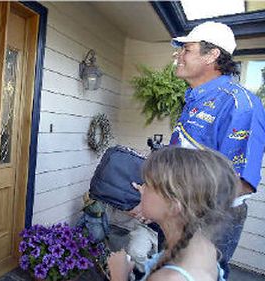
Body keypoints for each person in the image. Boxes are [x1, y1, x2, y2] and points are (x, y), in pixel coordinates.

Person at [168, 21, 265, 278]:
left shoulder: (240, 105)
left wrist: (182, 206)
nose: (178, 55)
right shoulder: (195, 99)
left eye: (186, 49)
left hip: (211, 219)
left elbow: (240, 182)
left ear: (212, 55)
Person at [108, 147, 238, 281]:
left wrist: (119, 276)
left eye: (148, 184)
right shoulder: (204, 246)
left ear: (173, 206)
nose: (141, 189)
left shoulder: (168, 278)